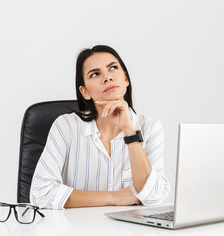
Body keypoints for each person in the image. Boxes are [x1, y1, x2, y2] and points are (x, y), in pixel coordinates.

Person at [30, 45, 170, 209]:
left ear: (126, 79)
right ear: (84, 92)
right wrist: (115, 197)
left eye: (113, 68)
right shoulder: (65, 127)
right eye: (95, 74)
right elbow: (40, 193)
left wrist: (129, 131)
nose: (107, 77)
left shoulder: (150, 127)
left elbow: (153, 197)